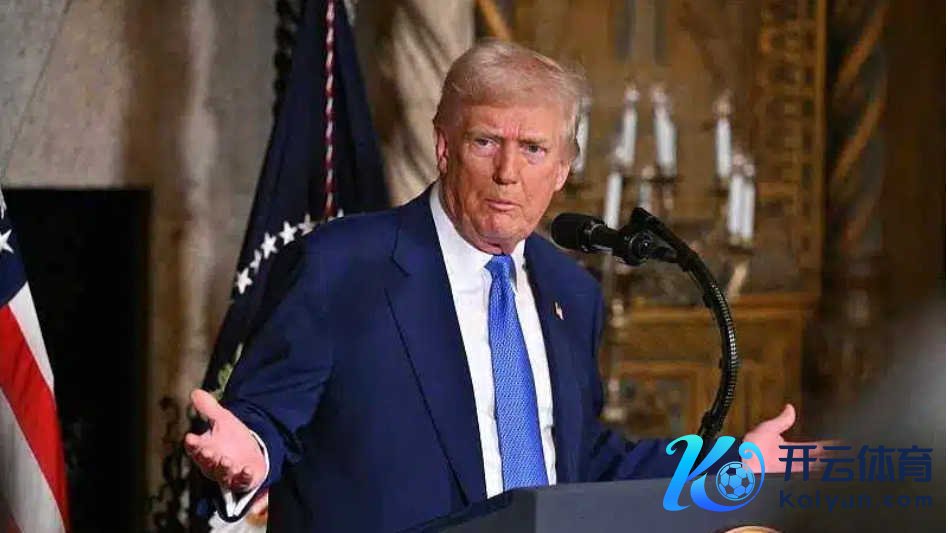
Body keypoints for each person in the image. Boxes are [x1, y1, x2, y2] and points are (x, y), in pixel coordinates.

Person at [185, 40, 814, 531]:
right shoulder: (342, 265)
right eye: (486, 141)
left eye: (534, 149)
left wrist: (729, 463)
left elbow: (581, 461)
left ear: (563, 168)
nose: (508, 172)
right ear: (444, 147)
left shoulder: (571, 292)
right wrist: (249, 455)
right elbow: (267, 419)